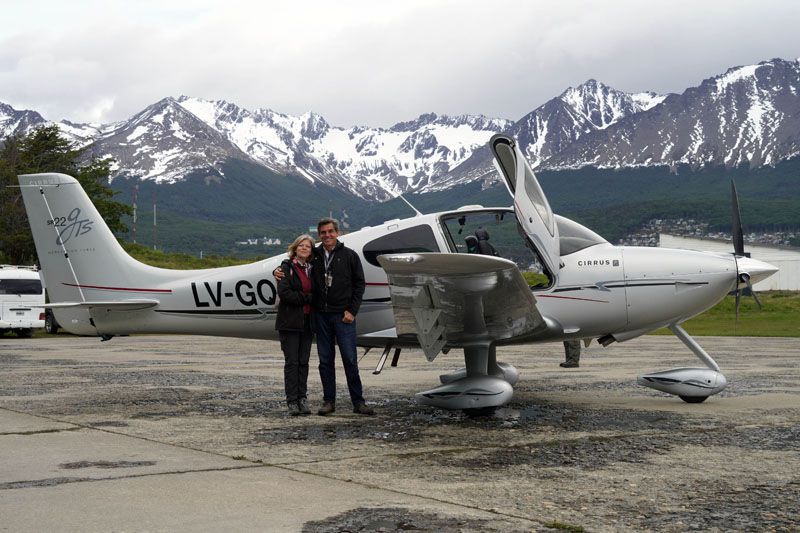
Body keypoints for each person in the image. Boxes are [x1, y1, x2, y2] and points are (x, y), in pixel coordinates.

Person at [274, 218, 374, 416]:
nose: (327, 236)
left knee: (350, 360)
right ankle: (329, 401)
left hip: (343, 316)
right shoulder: (315, 255)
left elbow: (359, 284)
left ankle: (358, 401)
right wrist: (277, 270)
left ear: (338, 233)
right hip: (320, 316)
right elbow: (293, 261)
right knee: (325, 361)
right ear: (319, 235)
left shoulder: (349, 256)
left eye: (330, 232)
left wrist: (352, 311)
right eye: (323, 233)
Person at [275, 235, 315, 416]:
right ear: (295, 248)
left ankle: (302, 398)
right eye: (301, 245)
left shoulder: (312, 269)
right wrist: (307, 298)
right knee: (292, 362)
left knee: (303, 362)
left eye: (308, 246)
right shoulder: (286, 267)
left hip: (307, 322)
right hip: (290, 322)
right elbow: (284, 293)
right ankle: (292, 401)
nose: (305, 248)